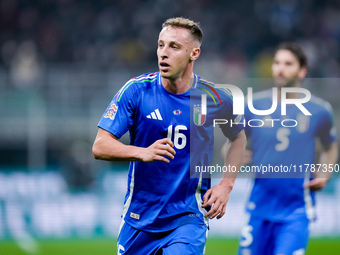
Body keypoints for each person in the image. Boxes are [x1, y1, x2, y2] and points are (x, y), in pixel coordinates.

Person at [92, 17, 246, 255]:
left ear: (194, 53)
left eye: (174, 47)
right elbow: (100, 146)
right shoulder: (136, 91)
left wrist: (226, 184)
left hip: (187, 217)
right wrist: (142, 152)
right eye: (160, 45)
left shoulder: (215, 98)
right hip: (139, 218)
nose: (164, 53)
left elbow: (238, 137)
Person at [238, 42, 338, 255]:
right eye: (277, 63)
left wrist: (325, 174)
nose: (280, 68)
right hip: (258, 207)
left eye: (288, 63)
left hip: (296, 210)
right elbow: (232, 143)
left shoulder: (319, 110)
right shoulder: (253, 105)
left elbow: (331, 146)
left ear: (302, 71)